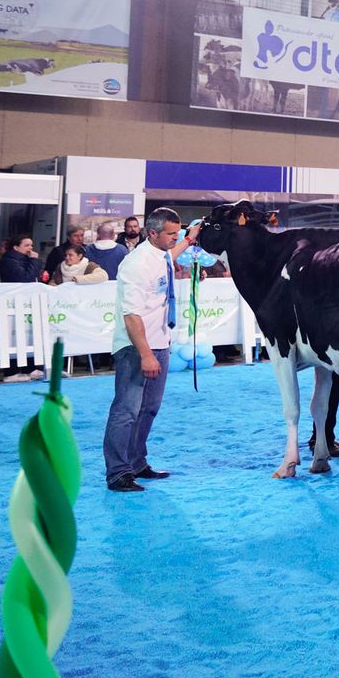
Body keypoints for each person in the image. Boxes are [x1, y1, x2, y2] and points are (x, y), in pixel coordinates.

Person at [103, 207, 197, 493]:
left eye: (177, 233)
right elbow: (131, 316)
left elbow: (170, 256)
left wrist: (190, 239)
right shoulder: (136, 263)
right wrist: (145, 353)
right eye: (171, 234)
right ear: (152, 233)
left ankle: (136, 461)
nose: (175, 238)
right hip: (136, 348)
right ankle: (118, 472)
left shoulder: (160, 255)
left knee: (149, 409)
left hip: (160, 343)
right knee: (126, 410)